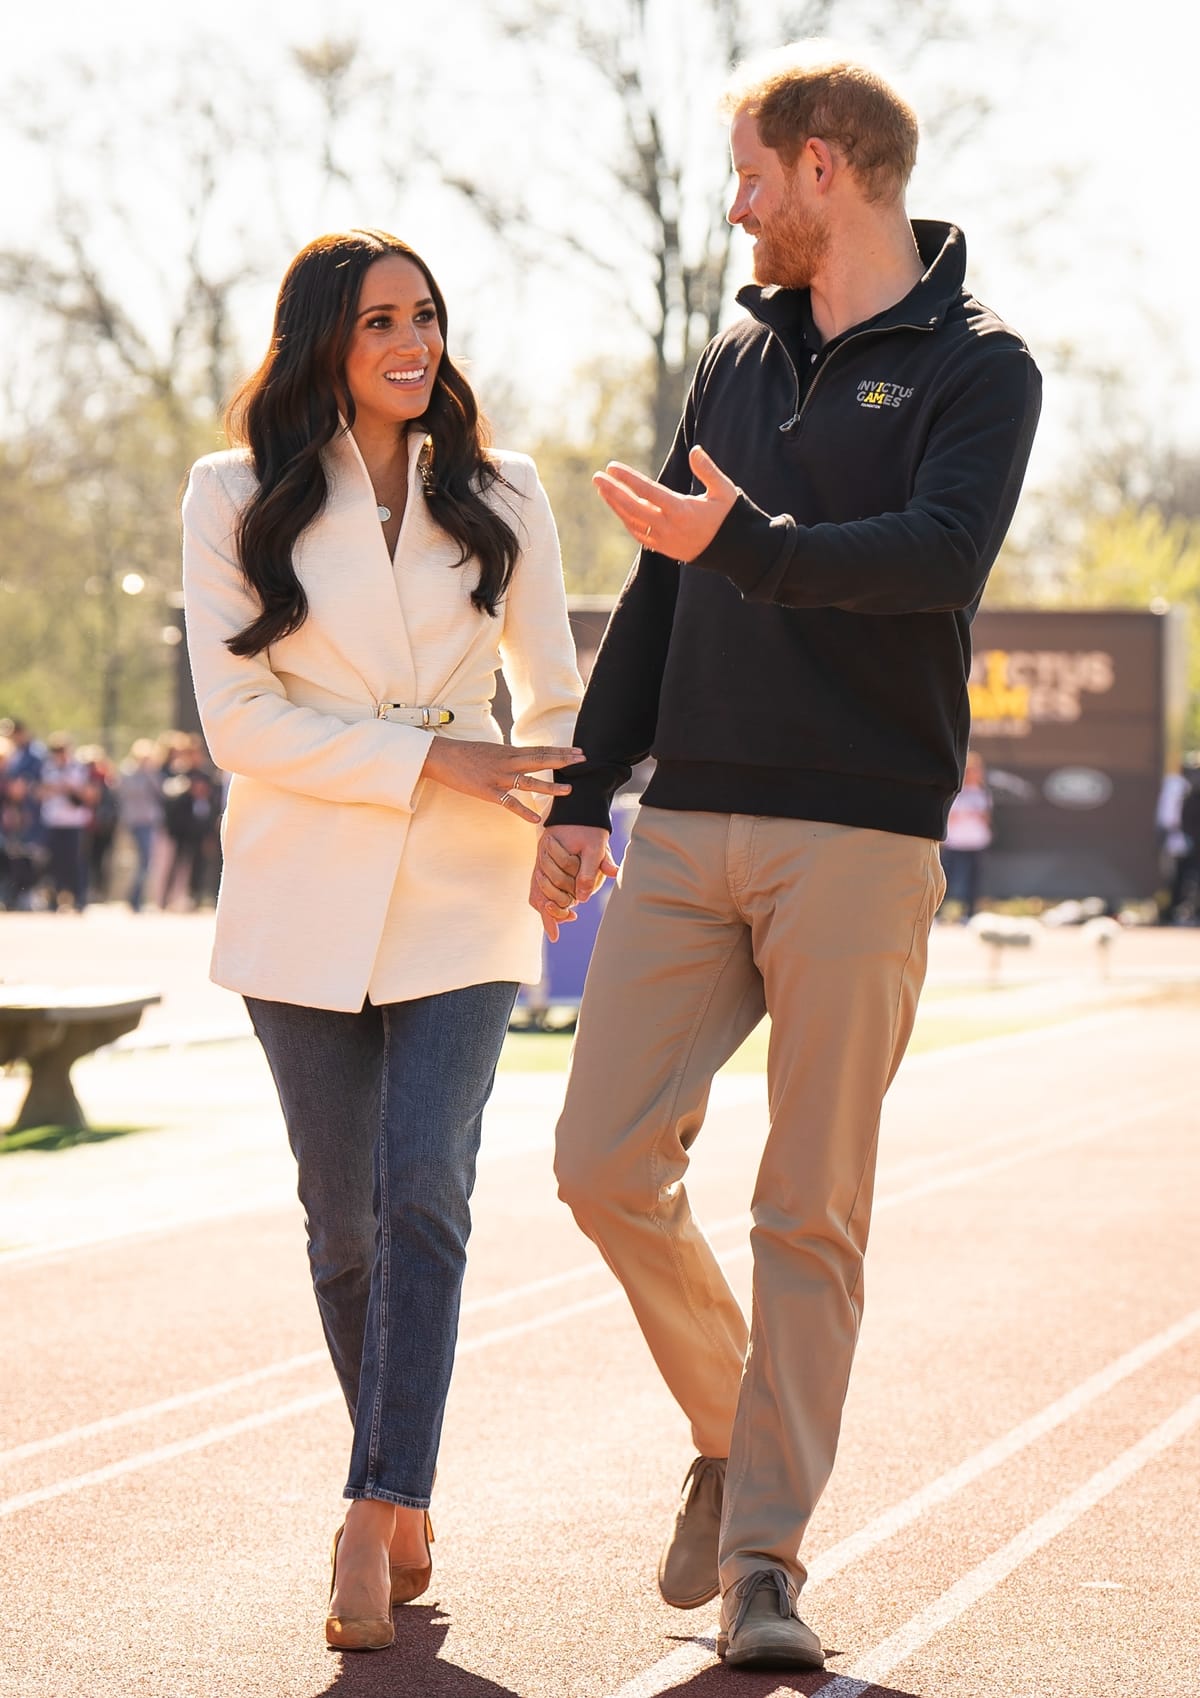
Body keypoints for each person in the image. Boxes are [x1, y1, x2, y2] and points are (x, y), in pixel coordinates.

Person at [530, 44, 1041, 1672]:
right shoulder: (735, 352)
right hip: (690, 815)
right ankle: (731, 1428)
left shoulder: (981, 364)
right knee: (602, 1157)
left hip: (865, 833)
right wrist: (580, 786)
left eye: (754, 174)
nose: (737, 205)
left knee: (808, 1206)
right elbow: (666, 592)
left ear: (829, 168)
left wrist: (740, 541)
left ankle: (766, 1554)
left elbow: (940, 555)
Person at [182, 229, 583, 1652]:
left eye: (426, 316)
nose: (413, 342)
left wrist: (564, 809)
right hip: (300, 898)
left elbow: (551, 691)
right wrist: (426, 763)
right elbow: (240, 722)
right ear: (322, 344)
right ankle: (400, 1487)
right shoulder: (231, 493)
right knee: (341, 1222)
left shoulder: (507, 492)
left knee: (428, 1193)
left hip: (467, 897)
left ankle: (372, 1506)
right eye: (380, 323)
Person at [940, 749, 992, 919]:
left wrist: (977, 815)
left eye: (976, 770)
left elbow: (986, 818)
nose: (973, 774)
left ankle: (969, 914)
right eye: (969, 770)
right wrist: (965, 814)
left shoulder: (983, 793)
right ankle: (938, 914)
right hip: (954, 843)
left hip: (975, 843)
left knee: (973, 882)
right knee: (944, 881)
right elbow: (949, 816)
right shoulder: (955, 791)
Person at [116, 740, 165, 912]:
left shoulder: (151, 774)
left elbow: (159, 791)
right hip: (135, 820)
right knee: (144, 860)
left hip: (149, 820)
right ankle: (134, 898)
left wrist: (149, 774)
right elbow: (128, 794)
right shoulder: (128, 773)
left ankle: (137, 898)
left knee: (146, 861)